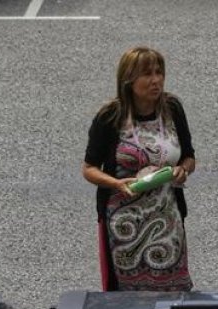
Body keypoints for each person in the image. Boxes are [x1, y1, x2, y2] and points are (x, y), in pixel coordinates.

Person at [84, 46, 196, 291]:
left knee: (173, 290)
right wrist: (116, 183)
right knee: (127, 297)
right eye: (147, 74)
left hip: (167, 219)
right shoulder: (110, 116)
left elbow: (189, 156)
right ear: (128, 80)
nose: (156, 80)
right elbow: (89, 168)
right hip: (123, 223)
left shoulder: (172, 108)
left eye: (159, 72)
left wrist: (183, 170)